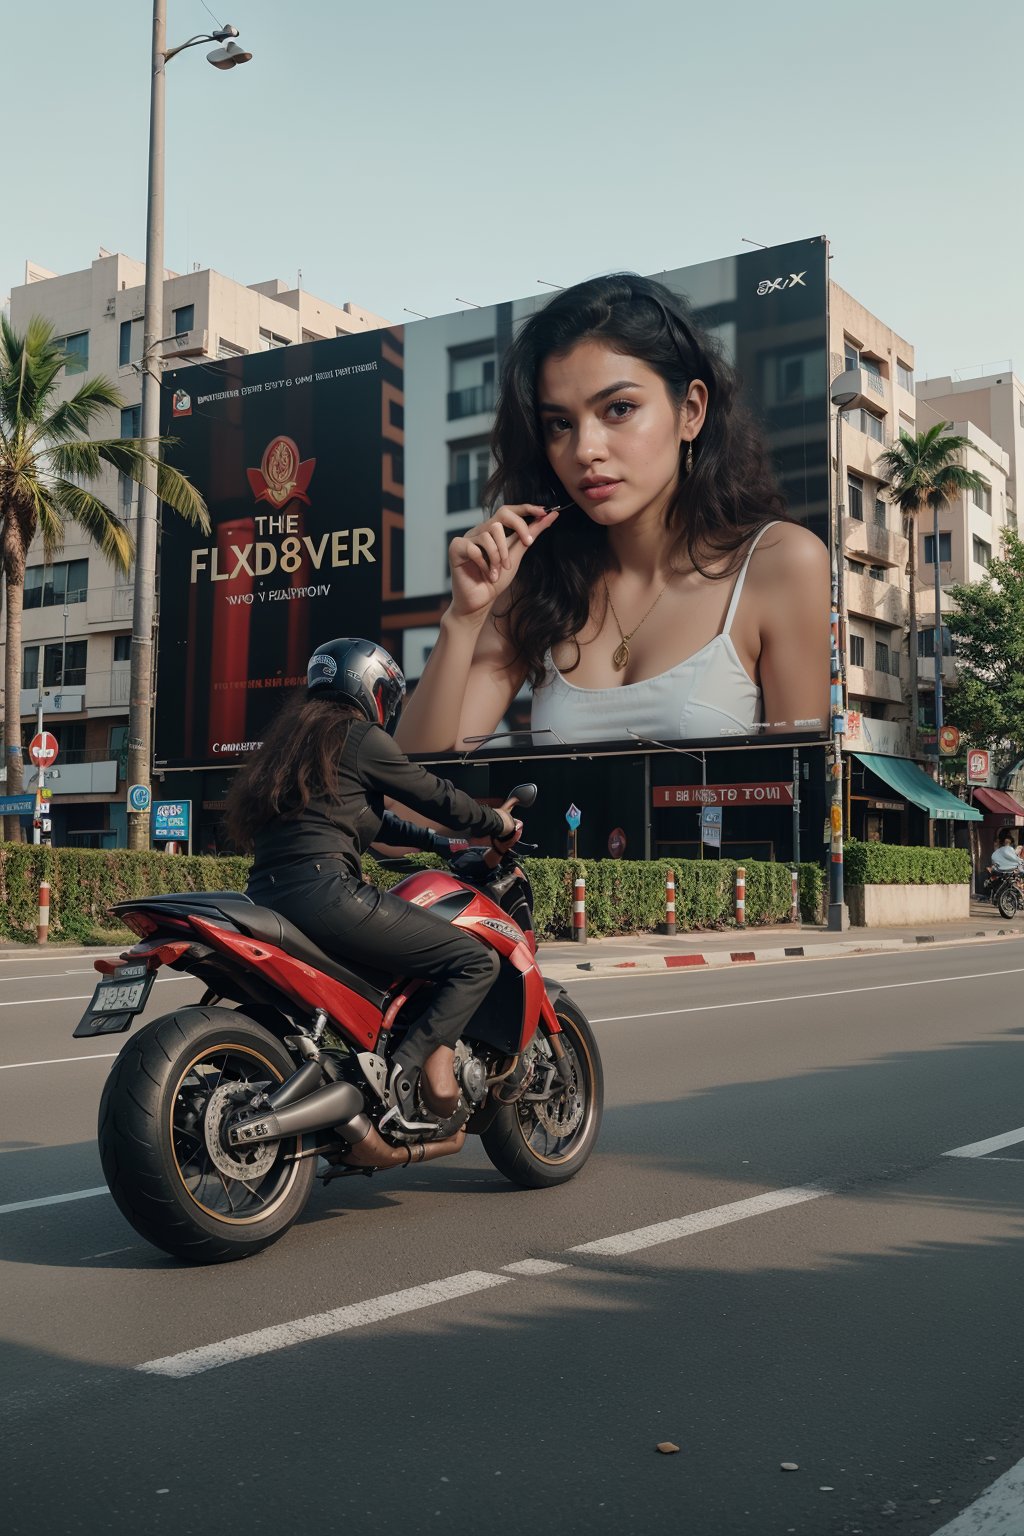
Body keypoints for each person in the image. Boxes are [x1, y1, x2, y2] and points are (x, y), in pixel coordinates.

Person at [396, 272, 829, 755]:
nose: (585, 449)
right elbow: (411, 794)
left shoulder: (780, 563)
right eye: (560, 424)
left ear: (690, 411)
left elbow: (801, 798)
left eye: (618, 409)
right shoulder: (537, 583)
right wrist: (462, 620)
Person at [223, 637, 518, 1134]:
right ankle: (413, 1064)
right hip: (328, 896)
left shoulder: (296, 750)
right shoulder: (359, 737)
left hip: (268, 900)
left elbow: (372, 821)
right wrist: (495, 823)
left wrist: (442, 847)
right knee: (473, 959)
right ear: (372, 688)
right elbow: (434, 794)